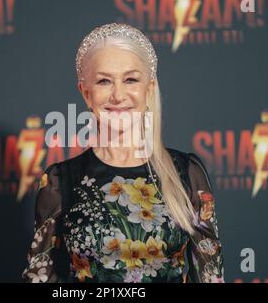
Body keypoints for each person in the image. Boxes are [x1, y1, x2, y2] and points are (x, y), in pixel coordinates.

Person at [22, 23, 224, 283]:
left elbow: (210, 276)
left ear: (149, 88)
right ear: (86, 93)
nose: (118, 95)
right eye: (104, 81)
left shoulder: (186, 172)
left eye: (130, 79)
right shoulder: (60, 181)